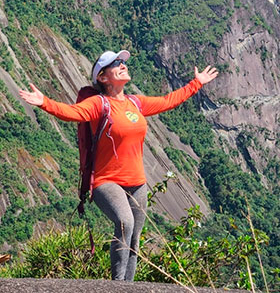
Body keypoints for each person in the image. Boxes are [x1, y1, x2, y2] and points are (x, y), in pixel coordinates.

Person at [19, 50, 218, 281]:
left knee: (134, 238)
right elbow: (72, 113)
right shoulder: (98, 104)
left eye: (123, 62)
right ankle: (117, 286)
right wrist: (44, 102)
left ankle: (128, 286)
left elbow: (167, 101)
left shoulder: (136, 102)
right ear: (103, 78)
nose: (123, 65)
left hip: (138, 184)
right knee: (125, 223)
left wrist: (196, 84)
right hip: (107, 182)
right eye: (116, 64)